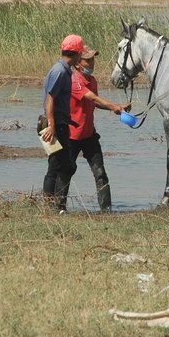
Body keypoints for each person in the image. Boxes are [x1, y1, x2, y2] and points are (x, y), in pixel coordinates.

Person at [64, 45, 130, 212]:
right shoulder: (74, 81)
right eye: (87, 60)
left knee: (100, 173)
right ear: (78, 64)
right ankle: (59, 208)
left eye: (93, 59)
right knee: (66, 172)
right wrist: (115, 106)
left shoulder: (92, 81)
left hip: (89, 135)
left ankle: (106, 210)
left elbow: (94, 102)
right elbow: (92, 97)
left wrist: (117, 108)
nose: (92, 63)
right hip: (72, 135)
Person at [40, 34, 83, 212]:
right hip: (54, 126)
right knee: (62, 165)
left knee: (59, 165)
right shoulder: (59, 71)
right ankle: (53, 206)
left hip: (59, 124)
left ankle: (55, 206)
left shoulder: (65, 69)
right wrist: (52, 125)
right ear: (77, 53)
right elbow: (50, 98)